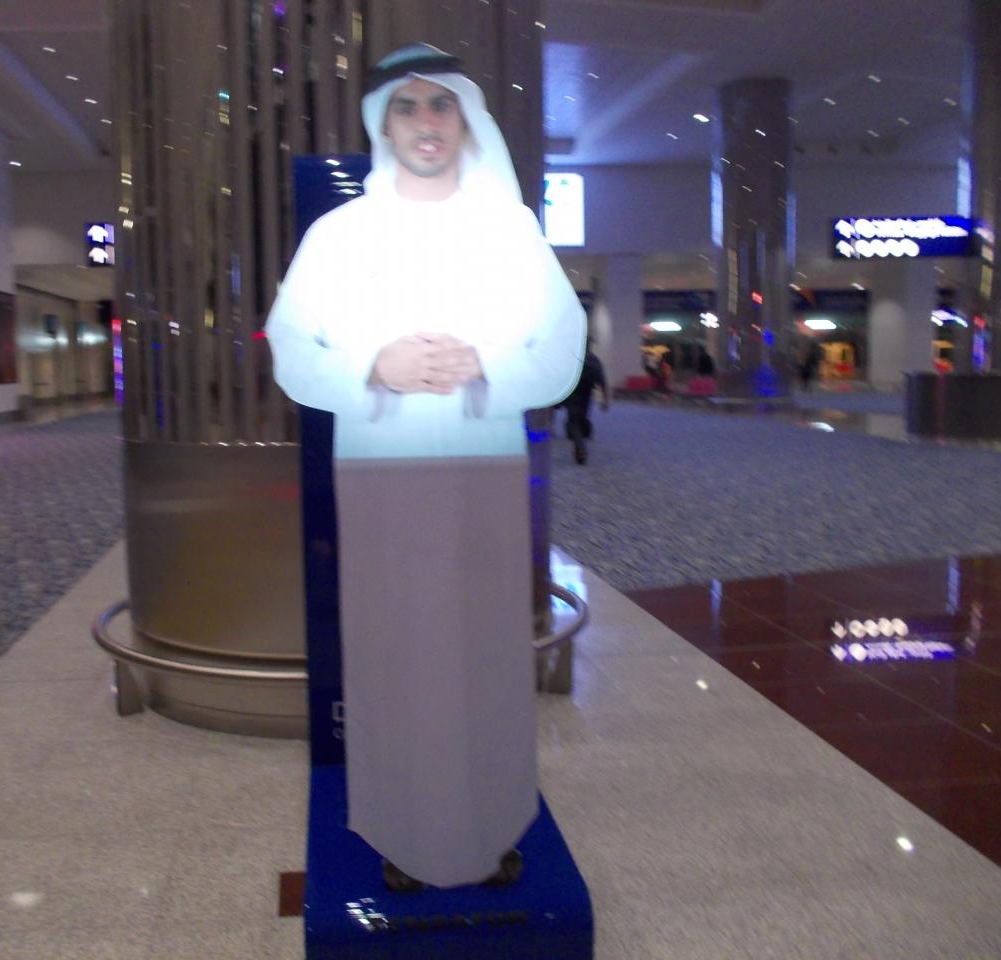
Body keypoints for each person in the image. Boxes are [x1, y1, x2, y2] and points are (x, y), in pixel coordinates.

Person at [265, 43, 584, 889]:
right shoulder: (340, 236)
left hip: (485, 475)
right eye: (405, 107)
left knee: (486, 653)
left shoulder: (510, 231)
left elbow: (562, 350)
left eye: (439, 104)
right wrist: (375, 365)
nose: (425, 123)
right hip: (380, 476)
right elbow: (291, 351)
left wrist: (486, 364)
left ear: (466, 119)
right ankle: (403, 831)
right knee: (393, 651)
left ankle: (493, 823)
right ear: (383, 123)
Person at [560, 351, 608, 464]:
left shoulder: (570, 357)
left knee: (574, 422)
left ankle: (580, 449)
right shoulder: (593, 359)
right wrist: (605, 399)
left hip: (573, 394)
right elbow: (602, 379)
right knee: (580, 419)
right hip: (586, 394)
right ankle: (581, 444)